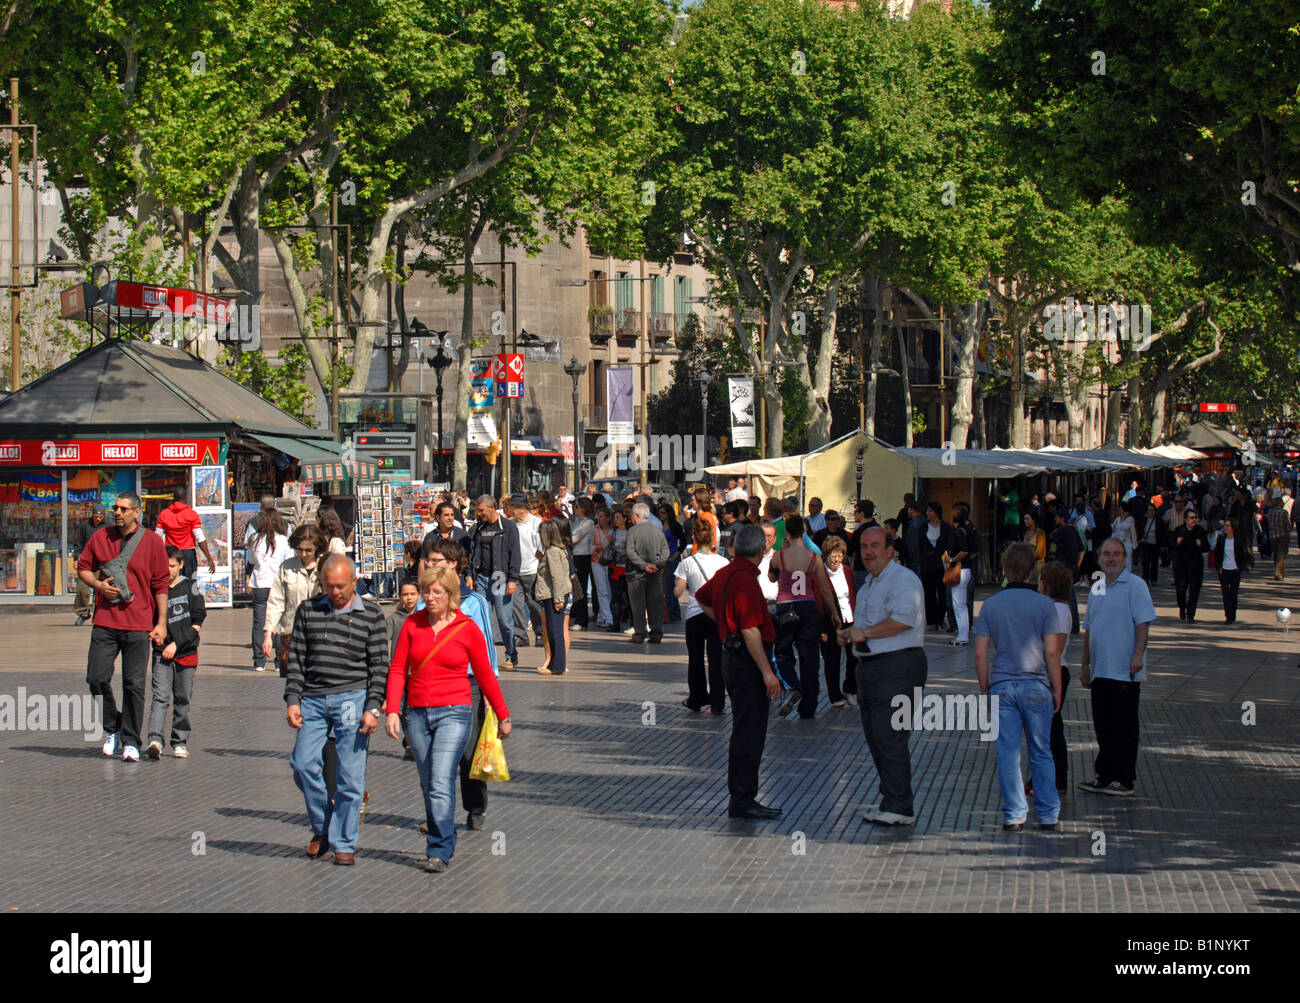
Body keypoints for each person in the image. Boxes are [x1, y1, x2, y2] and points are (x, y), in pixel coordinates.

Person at [385, 564, 511, 872]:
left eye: (435, 592)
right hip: (416, 714)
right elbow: (398, 669)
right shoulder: (413, 625)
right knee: (428, 780)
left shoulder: (466, 628)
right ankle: (443, 833)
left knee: (441, 778)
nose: (428, 598)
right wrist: (391, 709)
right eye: (426, 592)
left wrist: (502, 714)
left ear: (451, 595)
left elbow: (484, 674)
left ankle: (439, 849)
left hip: (455, 712)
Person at [284, 553, 388, 865]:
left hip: (352, 696)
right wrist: (292, 699)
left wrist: (373, 707)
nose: (335, 592)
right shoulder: (309, 610)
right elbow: (297, 658)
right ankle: (324, 826)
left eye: (341, 586)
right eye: (329, 586)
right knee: (302, 763)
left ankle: (344, 843)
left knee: (350, 774)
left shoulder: (371, 614)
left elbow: (380, 665)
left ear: (354, 581)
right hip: (313, 698)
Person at [836, 527, 927, 826]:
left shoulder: (903, 580)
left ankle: (901, 806)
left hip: (898, 666)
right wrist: (849, 634)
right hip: (872, 668)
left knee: (890, 738)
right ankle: (892, 799)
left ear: (891, 550)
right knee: (877, 739)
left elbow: (902, 620)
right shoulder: (869, 585)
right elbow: (865, 625)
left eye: (875, 546)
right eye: (864, 547)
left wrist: (866, 632)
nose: (868, 552)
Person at [695, 524, 783, 819]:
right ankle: (743, 797)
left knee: (743, 729)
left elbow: (702, 597)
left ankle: (742, 796)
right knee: (750, 731)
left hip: (731, 658)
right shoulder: (744, 579)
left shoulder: (726, 573)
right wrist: (767, 672)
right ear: (762, 552)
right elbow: (750, 630)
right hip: (746, 662)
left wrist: (722, 621)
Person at [973, 543, 1063, 831]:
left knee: (1007, 751)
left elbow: (980, 653)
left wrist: (985, 686)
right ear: (1031, 571)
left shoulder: (991, 605)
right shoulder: (1045, 605)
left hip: (1002, 684)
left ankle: (1015, 814)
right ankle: (1048, 813)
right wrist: (1056, 686)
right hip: (1036, 684)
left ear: (1004, 569)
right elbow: (1052, 652)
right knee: (1041, 750)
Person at [76, 491, 170, 763]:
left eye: (123, 509)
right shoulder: (100, 537)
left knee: (134, 684)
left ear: (136, 513)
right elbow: (83, 567)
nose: (117, 513)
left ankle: (130, 741)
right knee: (96, 678)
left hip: (138, 624)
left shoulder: (152, 542)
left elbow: (161, 585)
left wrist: (161, 623)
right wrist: (98, 585)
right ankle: (113, 725)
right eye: (115, 508)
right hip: (105, 622)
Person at [424, 539, 500, 831]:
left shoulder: (474, 602)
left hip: (467, 684)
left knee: (468, 753)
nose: (431, 566)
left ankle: (475, 806)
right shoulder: (423, 601)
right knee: (435, 755)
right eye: (429, 561)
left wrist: (491, 691)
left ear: (453, 565)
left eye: (437, 561)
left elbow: (486, 650)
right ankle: (439, 815)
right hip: (432, 684)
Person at [1078, 538, 1156, 797]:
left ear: (1125, 558)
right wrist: (1085, 664)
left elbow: (1142, 624)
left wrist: (1138, 656)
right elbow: (1089, 628)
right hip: (1101, 669)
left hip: (1125, 670)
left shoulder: (1136, 586)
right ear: (1100, 558)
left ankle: (1124, 779)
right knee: (1103, 725)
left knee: (1124, 726)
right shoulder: (1097, 588)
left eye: (1116, 554)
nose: (1111, 559)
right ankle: (1105, 775)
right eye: (1106, 554)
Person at [768, 513, 841, 719]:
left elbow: (771, 578)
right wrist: (834, 614)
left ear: (787, 533)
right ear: (805, 532)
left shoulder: (779, 555)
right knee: (810, 658)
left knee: (782, 653)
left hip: (785, 607)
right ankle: (808, 706)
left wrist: (781, 552)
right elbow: (825, 589)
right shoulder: (814, 558)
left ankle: (792, 685)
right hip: (808, 607)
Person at [145, 545, 207, 761]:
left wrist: (176, 645)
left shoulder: (190, 588)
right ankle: (154, 739)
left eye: (172, 566)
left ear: (181, 565)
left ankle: (179, 741)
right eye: (164, 566)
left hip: (186, 654)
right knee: (159, 697)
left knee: (182, 699)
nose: (168, 570)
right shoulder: (156, 589)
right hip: (161, 654)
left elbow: (198, 622)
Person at [676, 519, 729, 714]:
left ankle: (697, 699)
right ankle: (718, 703)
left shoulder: (688, 562)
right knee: (716, 659)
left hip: (694, 614)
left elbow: (677, 591)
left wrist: (685, 584)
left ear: (695, 538)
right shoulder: (724, 562)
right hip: (716, 616)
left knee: (696, 658)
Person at [467, 495, 522, 671]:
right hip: (481, 577)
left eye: (482, 510)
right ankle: (485, 657)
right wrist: (470, 574)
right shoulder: (477, 528)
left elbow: (515, 554)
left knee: (503, 618)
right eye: (478, 510)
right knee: (482, 619)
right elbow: (471, 552)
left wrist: (513, 579)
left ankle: (511, 655)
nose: (479, 513)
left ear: (492, 507)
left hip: (499, 576)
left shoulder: (507, 527)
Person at [264, 524, 327, 673]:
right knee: (291, 683)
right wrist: (268, 633)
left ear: (317, 548)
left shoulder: (325, 566)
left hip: (320, 634)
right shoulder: (287, 567)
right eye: (299, 549)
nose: (303, 554)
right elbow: (276, 601)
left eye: (308, 550)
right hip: (290, 633)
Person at [1037, 561, 1074, 793]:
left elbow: (1055, 647)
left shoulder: (1058, 610)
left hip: (1054, 671)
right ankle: (1047, 778)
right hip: (1051, 670)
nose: (1038, 583)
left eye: (1041, 579)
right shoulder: (1055, 607)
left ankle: (1057, 779)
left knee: (1051, 729)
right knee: (1047, 728)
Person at [248, 509, 292, 671]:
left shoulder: (255, 539)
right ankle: (280, 661)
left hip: (260, 584)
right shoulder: (284, 540)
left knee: (259, 623)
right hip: (278, 585)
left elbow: (251, 560)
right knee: (280, 623)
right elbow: (288, 562)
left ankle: (259, 662)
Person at [818, 536, 857, 708]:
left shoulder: (848, 571)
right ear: (826, 555)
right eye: (833, 555)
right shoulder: (820, 574)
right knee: (832, 660)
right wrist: (821, 629)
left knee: (854, 657)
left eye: (840, 555)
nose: (837, 559)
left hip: (849, 619)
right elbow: (819, 602)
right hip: (829, 622)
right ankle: (834, 696)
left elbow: (853, 595)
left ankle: (849, 688)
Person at [533, 519, 575, 675]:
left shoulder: (552, 552)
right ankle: (555, 664)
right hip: (554, 594)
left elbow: (557, 577)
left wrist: (558, 599)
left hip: (553, 595)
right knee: (554, 629)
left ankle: (557, 665)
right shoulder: (559, 550)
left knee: (555, 630)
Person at [625, 502, 670, 643]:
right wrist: (656, 564)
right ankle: (656, 632)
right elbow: (665, 552)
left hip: (636, 574)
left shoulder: (632, 531)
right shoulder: (657, 531)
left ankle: (639, 633)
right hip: (655, 573)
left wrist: (644, 565)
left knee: (638, 605)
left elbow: (631, 552)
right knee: (655, 603)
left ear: (637, 515)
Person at [155, 485, 218, 580]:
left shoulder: (164, 514)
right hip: (188, 555)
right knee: (189, 583)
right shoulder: (191, 514)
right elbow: (199, 537)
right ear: (185, 498)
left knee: (171, 581)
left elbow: (157, 536)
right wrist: (209, 558)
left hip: (171, 554)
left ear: (173, 498)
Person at [509, 494, 546, 651]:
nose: (511, 510)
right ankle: (520, 635)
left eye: (514, 507)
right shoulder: (511, 525)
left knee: (533, 604)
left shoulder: (535, 523)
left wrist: (539, 565)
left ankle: (539, 633)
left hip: (532, 569)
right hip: (515, 571)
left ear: (523, 508)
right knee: (516, 605)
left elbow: (541, 548)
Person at [916, 501, 956, 632]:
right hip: (927, 564)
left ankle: (940, 619)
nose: (928, 513)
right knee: (929, 593)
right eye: (927, 511)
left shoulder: (945, 527)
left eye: (930, 511)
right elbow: (920, 544)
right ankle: (932, 621)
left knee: (943, 592)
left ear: (937, 512)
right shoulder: (923, 527)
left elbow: (949, 544)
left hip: (941, 564)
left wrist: (946, 556)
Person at [1171, 507, 1209, 622]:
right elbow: (1171, 545)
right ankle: (1182, 608)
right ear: (1185, 519)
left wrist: (1201, 545)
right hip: (1181, 566)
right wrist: (1177, 543)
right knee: (1181, 589)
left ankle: (1191, 614)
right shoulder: (1179, 530)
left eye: (1196, 518)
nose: (1194, 520)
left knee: (1194, 590)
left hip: (1196, 566)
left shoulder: (1200, 531)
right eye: (1191, 518)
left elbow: (1207, 547)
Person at [72, 503, 107, 625]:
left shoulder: (108, 527)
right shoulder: (85, 526)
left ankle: (98, 615)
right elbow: (78, 543)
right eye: (96, 516)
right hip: (87, 562)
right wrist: (76, 558)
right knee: (82, 588)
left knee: (100, 590)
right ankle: (83, 612)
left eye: (100, 517)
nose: (98, 519)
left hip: (102, 562)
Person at [1214, 517, 1252, 623]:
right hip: (1224, 570)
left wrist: (1242, 566)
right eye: (1224, 525)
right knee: (1225, 593)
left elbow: (1244, 553)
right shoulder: (1221, 539)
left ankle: (1233, 613)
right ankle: (1228, 616)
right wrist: (1219, 567)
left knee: (1233, 593)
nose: (1225, 527)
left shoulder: (1239, 539)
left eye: (1227, 525)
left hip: (1235, 569)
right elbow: (1217, 554)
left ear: (1233, 527)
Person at [418, 502, 471, 578]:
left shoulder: (462, 535)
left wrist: (469, 576)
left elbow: (469, 558)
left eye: (452, 515)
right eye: (446, 515)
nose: (450, 518)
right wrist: (421, 584)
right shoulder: (430, 537)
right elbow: (422, 561)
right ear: (438, 518)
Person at [946, 505, 974, 646]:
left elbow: (964, 551)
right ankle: (963, 634)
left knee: (958, 605)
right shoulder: (968, 530)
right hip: (966, 570)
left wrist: (951, 559)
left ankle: (962, 636)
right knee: (961, 604)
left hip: (959, 570)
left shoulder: (957, 532)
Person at [571, 497, 596, 629]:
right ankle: (576, 615)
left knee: (581, 587)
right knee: (574, 587)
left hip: (583, 556)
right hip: (574, 555)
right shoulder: (576, 521)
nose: (574, 509)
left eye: (577, 506)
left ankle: (582, 620)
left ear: (584, 509)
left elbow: (574, 538)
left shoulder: (588, 523)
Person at [660, 501, 685, 622]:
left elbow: (683, 542)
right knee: (666, 587)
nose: (661, 515)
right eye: (659, 512)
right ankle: (671, 612)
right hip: (662, 559)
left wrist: (675, 555)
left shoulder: (675, 526)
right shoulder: (658, 525)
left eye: (663, 513)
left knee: (668, 585)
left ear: (669, 514)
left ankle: (673, 613)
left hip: (672, 558)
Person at [590, 507, 615, 629]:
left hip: (610, 562)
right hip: (597, 561)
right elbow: (591, 546)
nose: (599, 519)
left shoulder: (613, 531)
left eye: (602, 516)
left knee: (608, 590)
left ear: (608, 518)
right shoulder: (595, 530)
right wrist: (598, 547)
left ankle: (602, 615)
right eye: (598, 516)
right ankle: (608, 617)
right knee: (602, 591)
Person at [1267, 492, 1292, 580]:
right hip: (1282, 535)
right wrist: (1289, 533)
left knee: (1276, 554)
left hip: (1273, 536)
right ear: (1280, 503)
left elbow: (1268, 523)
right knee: (1281, 555)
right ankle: (1278, 573)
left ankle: (1278, 571)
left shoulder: (1270, 512)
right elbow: (1287, 525)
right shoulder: (1284, 513)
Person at [1112, 504, 1137, 574]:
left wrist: (1134, 544)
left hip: (1127, 544)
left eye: (1121, 509)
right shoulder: (1117, 519)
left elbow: (1129, 530)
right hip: (1118, 544)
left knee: (1127, 563)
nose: (1119, 511)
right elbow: (1113, 528)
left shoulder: (1130, 519)